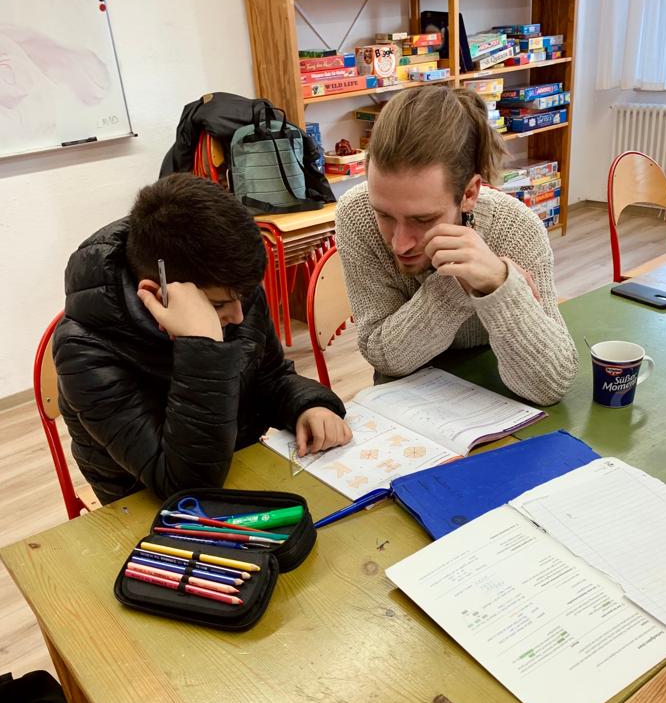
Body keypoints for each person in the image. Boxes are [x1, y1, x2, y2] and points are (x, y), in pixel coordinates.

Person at [54, 173, 351, 505]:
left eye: (242, 297)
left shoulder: (227, 287)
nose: (238, 316)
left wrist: (307, 404)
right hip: (143, 502)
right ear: (158, 294)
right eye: (219, 305)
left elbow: (269, 376)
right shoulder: (84, 350)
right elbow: (185, 486)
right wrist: (201, 346)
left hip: (234, 464)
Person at [334, 86, 579, 405]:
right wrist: (456, 287)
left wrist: (498, 285)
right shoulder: (356, 214)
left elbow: (551, 384)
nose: (400, 243)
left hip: (500, 396)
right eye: (384, 215)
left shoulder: (517, 228)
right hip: (405, 406)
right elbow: (384, 357)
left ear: (469, 194)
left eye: (423, 219)